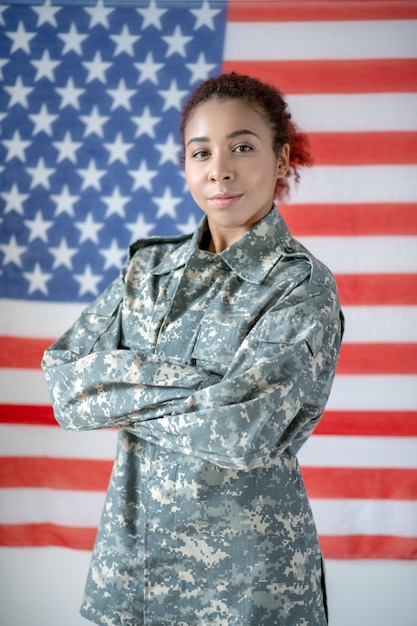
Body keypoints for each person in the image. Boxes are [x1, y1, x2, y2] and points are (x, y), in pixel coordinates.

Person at [42, 72, 344, 626]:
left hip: (252, 582)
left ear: (280, 160)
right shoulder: (147, 270)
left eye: (243, 147)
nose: (219, 169)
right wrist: (210, 391)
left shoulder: (301, 287)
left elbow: (242, 430)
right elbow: (65, 386)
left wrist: (123, 387)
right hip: (133, 572)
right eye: (200, 151)